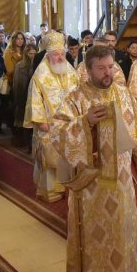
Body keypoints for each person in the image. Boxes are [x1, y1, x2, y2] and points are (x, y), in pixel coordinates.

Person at [49, 45, 137, 272]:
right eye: (102, 68)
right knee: (98, 248)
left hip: (121, 186)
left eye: (111, 67)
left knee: (125, 241)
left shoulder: (123, 93)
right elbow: (55, 135)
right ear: (88, 69)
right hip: (91, 191)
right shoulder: (76, 98)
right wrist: (84, 123)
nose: (108, 73)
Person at [26, 32, 81, 201]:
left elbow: (79, 93)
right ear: (48, 55)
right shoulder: (40, 74)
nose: (60, 57)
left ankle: (68, 186)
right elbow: (34, 99)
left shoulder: (71, 71)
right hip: (49, 124)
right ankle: (51, 191)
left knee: (69, 155)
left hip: (70, 124)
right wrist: (40, 121)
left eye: (62, 53)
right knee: (50, 159)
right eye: (56, 54)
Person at [12, 43, 39, 148]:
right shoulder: (20, 65)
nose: (32, 55)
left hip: (33, 96)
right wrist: (18, 100)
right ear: (26, 53)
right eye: (30, 53)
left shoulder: (38, 66)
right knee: (23, 120)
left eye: (34, 53)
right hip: (22, 95)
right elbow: (16, 84)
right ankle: (25, 143)